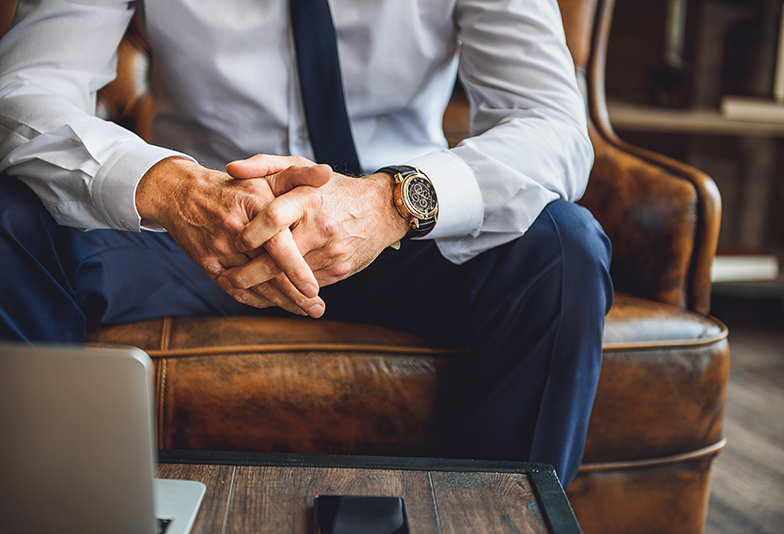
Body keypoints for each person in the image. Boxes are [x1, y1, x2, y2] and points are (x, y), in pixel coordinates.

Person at [0, 0, 612, 486]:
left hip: (400, 231)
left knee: (563, 246)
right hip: (196, 231)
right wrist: (172, 188)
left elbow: (551, 125)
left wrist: (391, 202)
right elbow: (26, 89)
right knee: (9, 221)